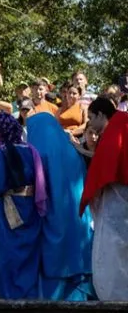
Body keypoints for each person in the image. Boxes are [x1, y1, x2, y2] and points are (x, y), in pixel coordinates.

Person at [26, 113, 95, 301]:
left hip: (52, 215)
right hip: (78, 217)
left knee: (54, 258)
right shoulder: (73, 149)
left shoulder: (37, 152)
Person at [0, 113, 47, 299]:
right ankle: (28, 293)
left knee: (7, 253)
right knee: (28, 253)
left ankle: (5, 293)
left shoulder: (3, 152)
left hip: (10, 208)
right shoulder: (31, 150)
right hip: (31, 208)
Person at [81, 98, 128, 300]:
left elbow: (105, 172)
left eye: (92, 118)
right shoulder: (121, 123)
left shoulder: (113, 132)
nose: (91, 124)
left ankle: (115, 297)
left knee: (113, 250)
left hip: (118, 202)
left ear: (101, 115)